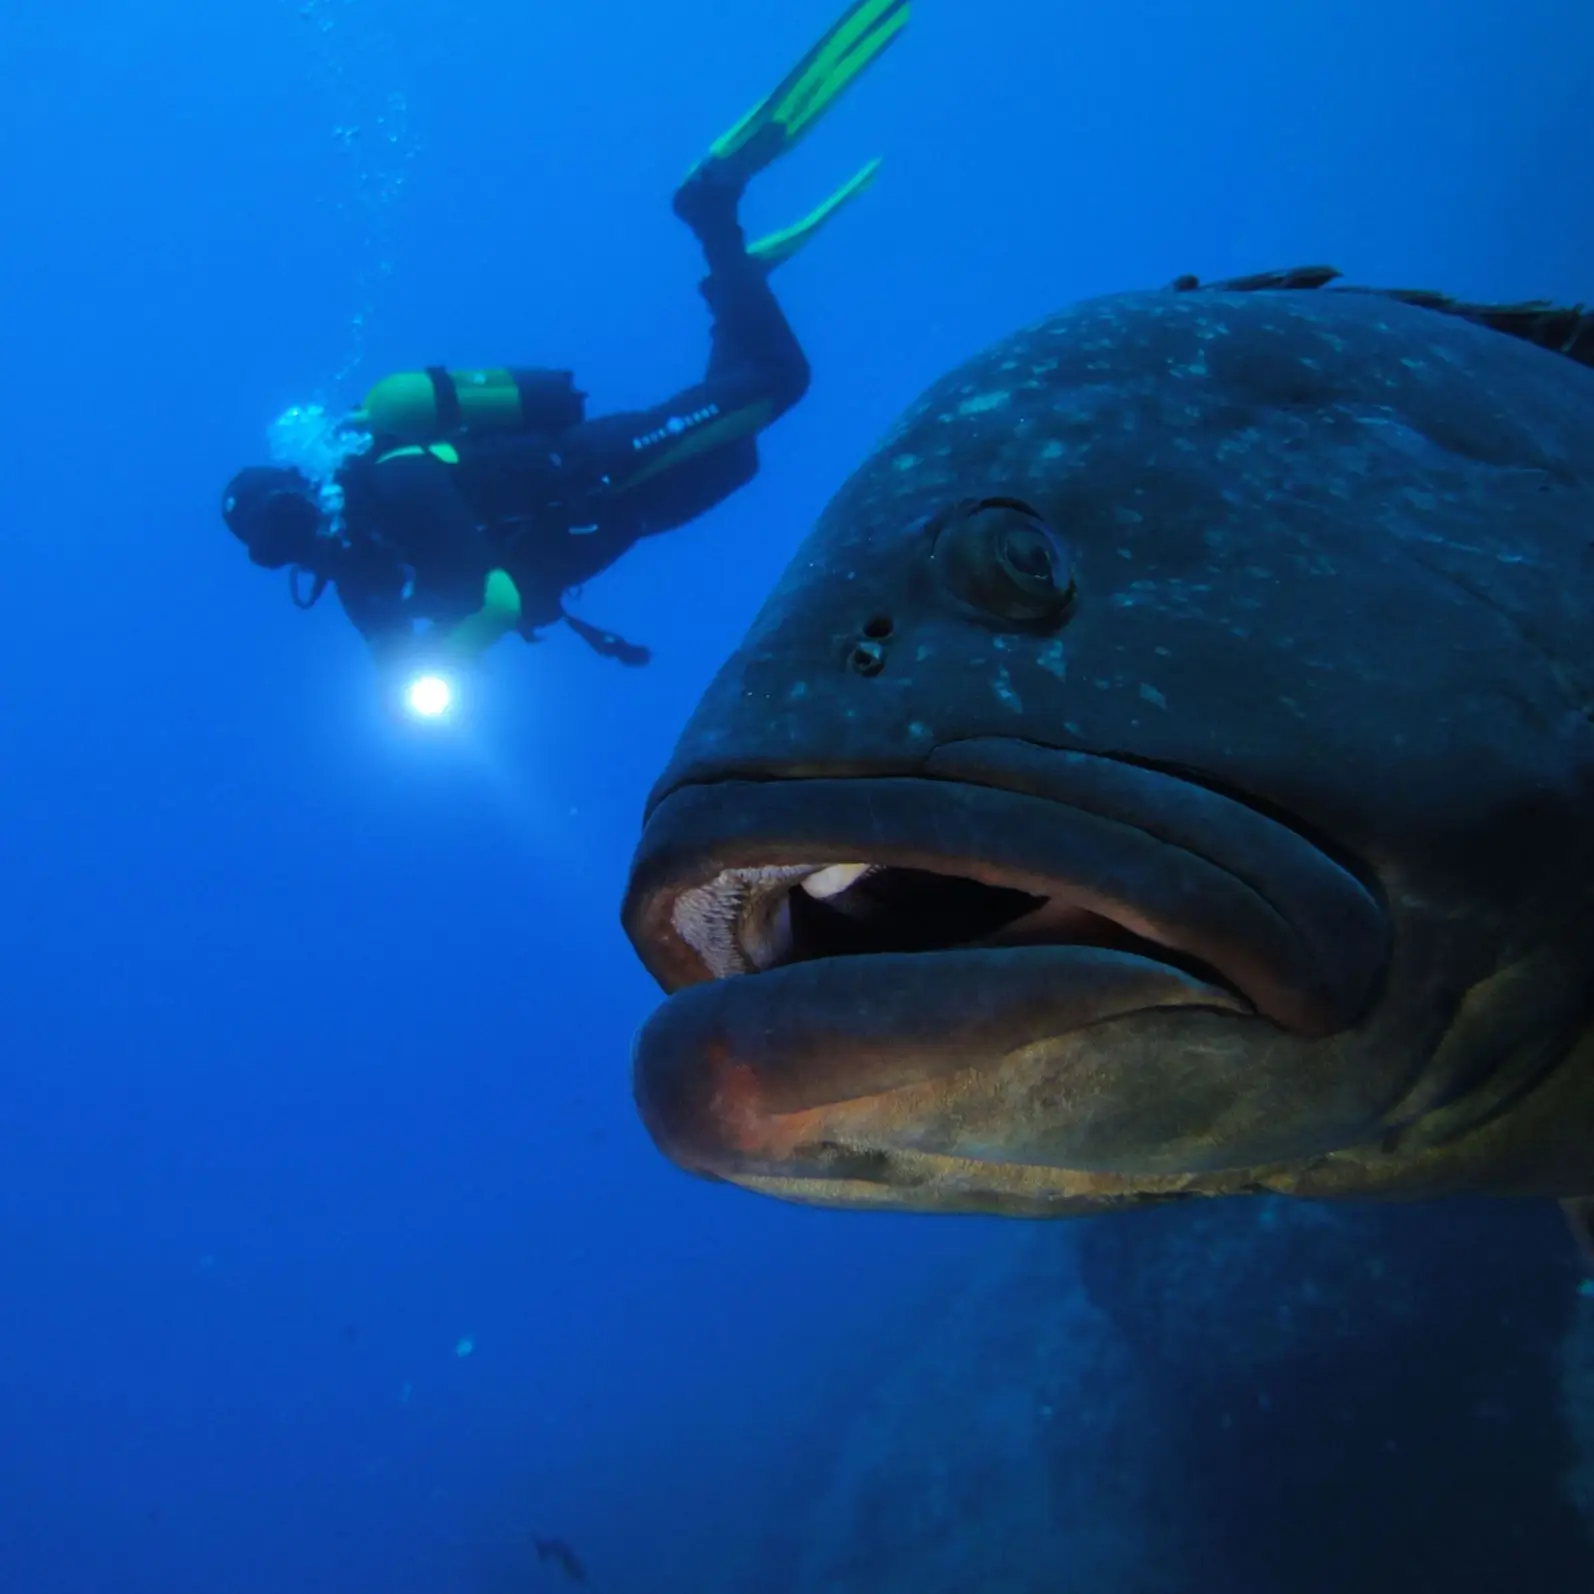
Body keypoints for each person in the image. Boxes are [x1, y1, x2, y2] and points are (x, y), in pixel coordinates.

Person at [220, 0, 910, 692]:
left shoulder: (396, 474)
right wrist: (408, 676)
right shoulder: (360, 588)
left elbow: (499, 603)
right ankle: (735, 288)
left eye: (286, 514)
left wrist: (444, 660)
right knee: (738, 455)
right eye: (273, 541)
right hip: (619, 520)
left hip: (603, 468)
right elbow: (393, 660)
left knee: (778, 381)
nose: (295, 533)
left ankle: (711, 207)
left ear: (304, 485)